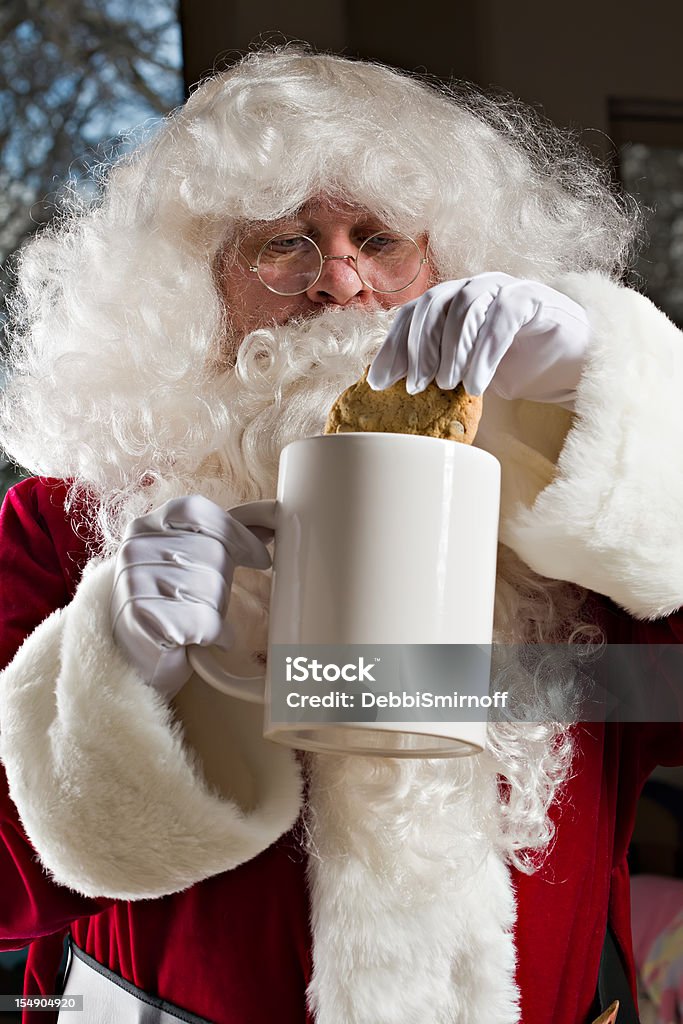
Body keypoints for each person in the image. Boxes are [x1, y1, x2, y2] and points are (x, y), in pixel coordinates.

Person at [0, 45, 681, 1024]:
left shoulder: (563, 513)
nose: (341, 279)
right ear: (198, 283)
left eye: (381, 236)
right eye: (281, 242)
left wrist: (609, 404)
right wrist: (111, 676)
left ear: (446, 264)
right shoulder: (60, 530)